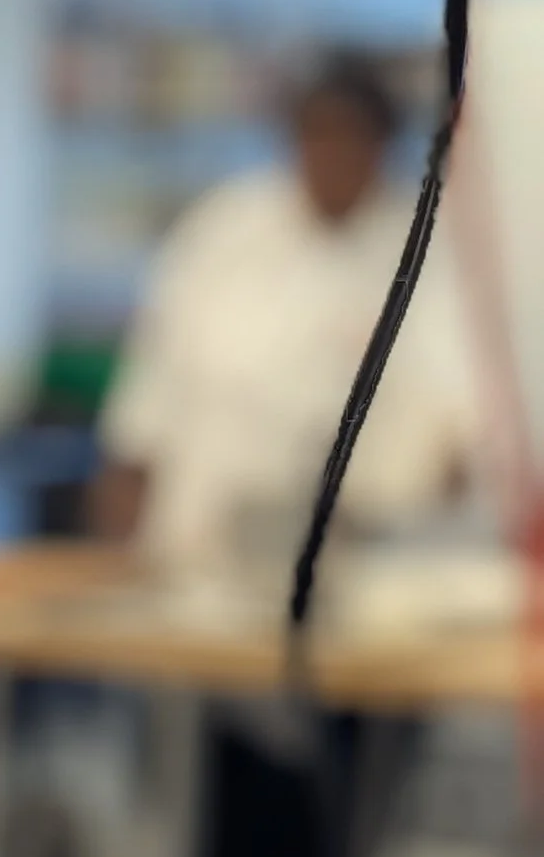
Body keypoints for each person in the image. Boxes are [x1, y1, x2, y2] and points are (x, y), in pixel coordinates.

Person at [91, 48, 479, 571]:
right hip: (196, 550)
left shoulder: (431, 253)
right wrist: (117, 557)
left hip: (364, 562)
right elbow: (143, 415)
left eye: (352, 138)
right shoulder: (224, 233)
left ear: (383, 146)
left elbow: (459, 430)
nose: (333, 155)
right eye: (317, 136)